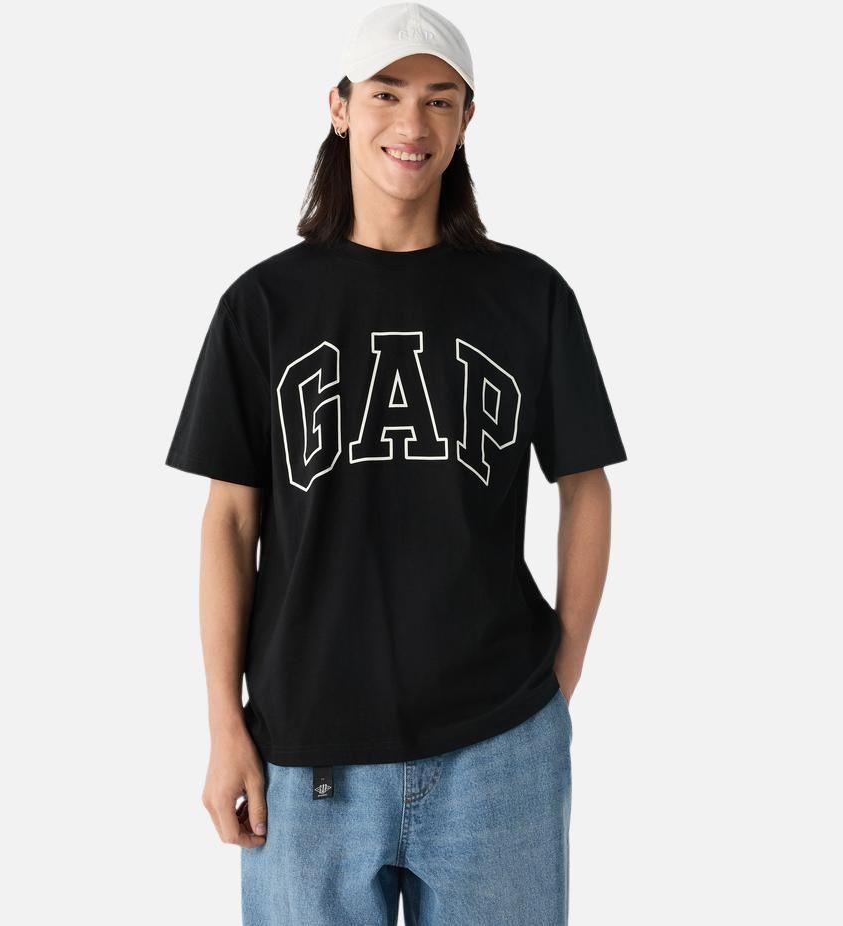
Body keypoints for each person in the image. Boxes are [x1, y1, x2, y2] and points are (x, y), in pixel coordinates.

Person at [165, 3, 627, 923]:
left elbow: (585, 487)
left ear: (465, 119)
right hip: (307, 756)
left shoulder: (528, 295)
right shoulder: (263, 306)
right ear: (340, 107)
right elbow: (230, 521)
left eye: (439, 99)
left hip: (498, 747)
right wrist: (225, 724)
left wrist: (559, 678)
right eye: (386, 94)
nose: (412, 123)